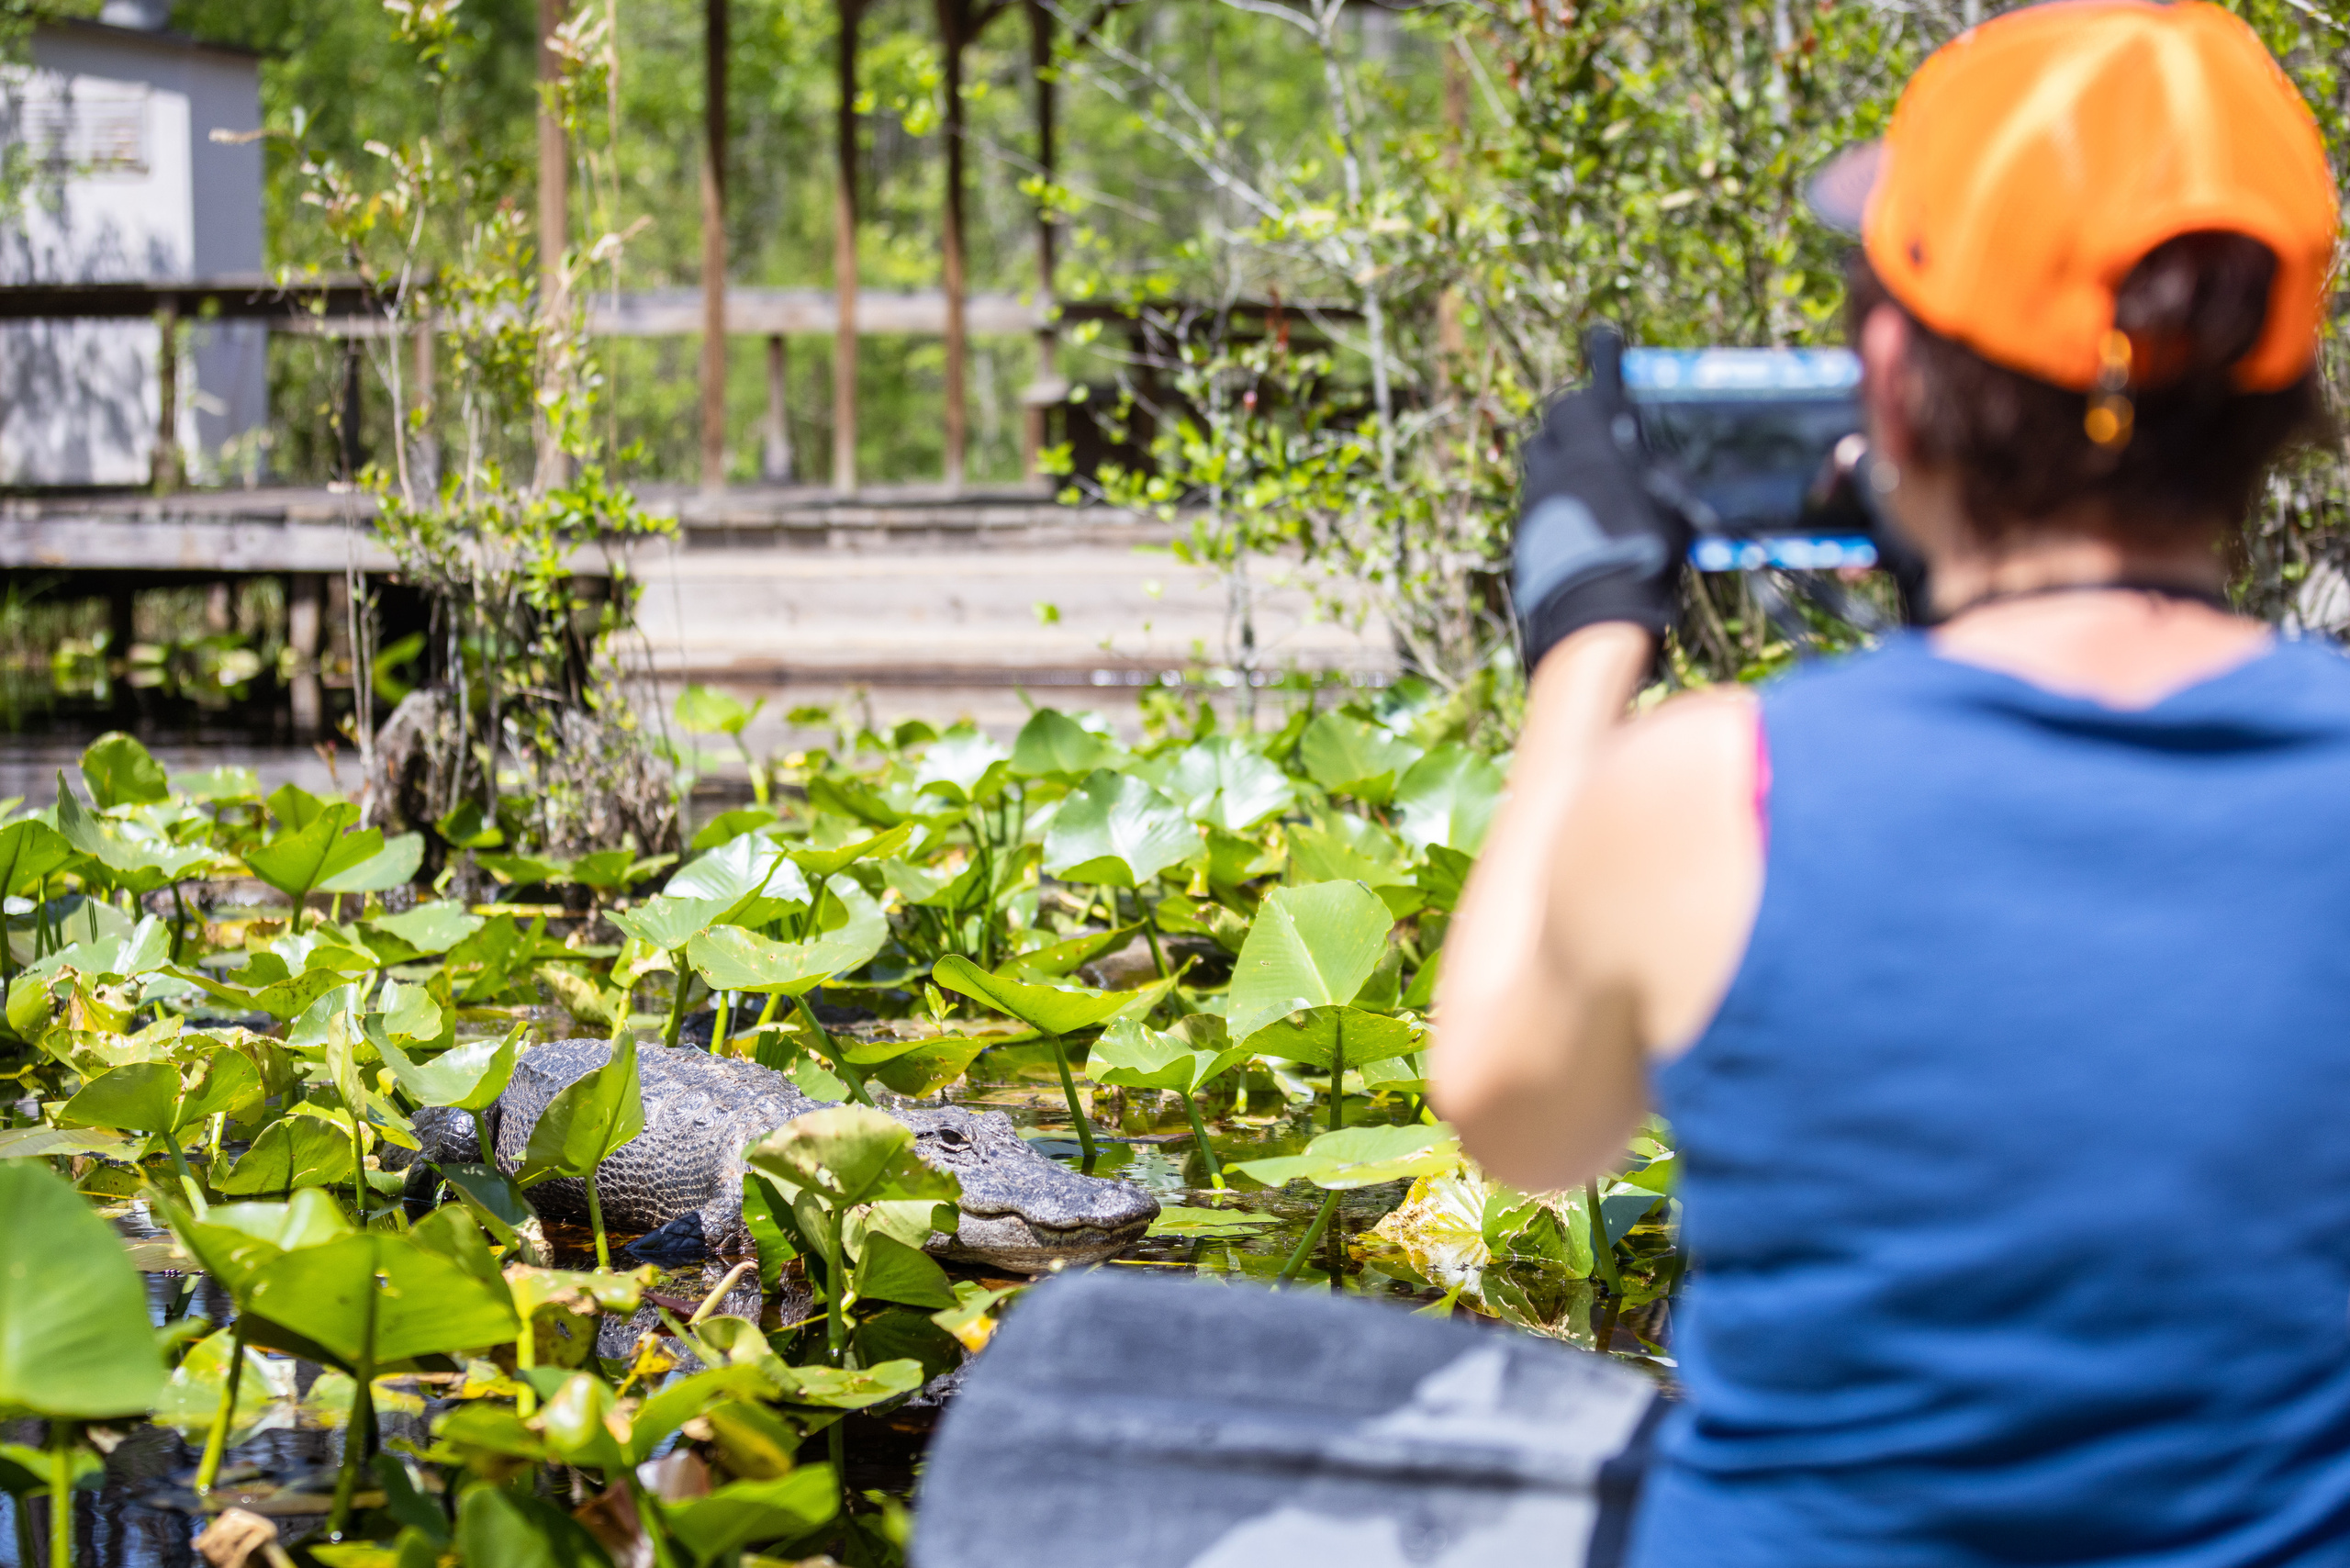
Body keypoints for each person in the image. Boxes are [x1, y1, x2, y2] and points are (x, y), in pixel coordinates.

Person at [1427, 3, 2350, 1563]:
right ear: (2273, 396)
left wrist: (1587, 640)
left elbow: (1515, 1122)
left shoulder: (1718, 788)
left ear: (1891, 374)